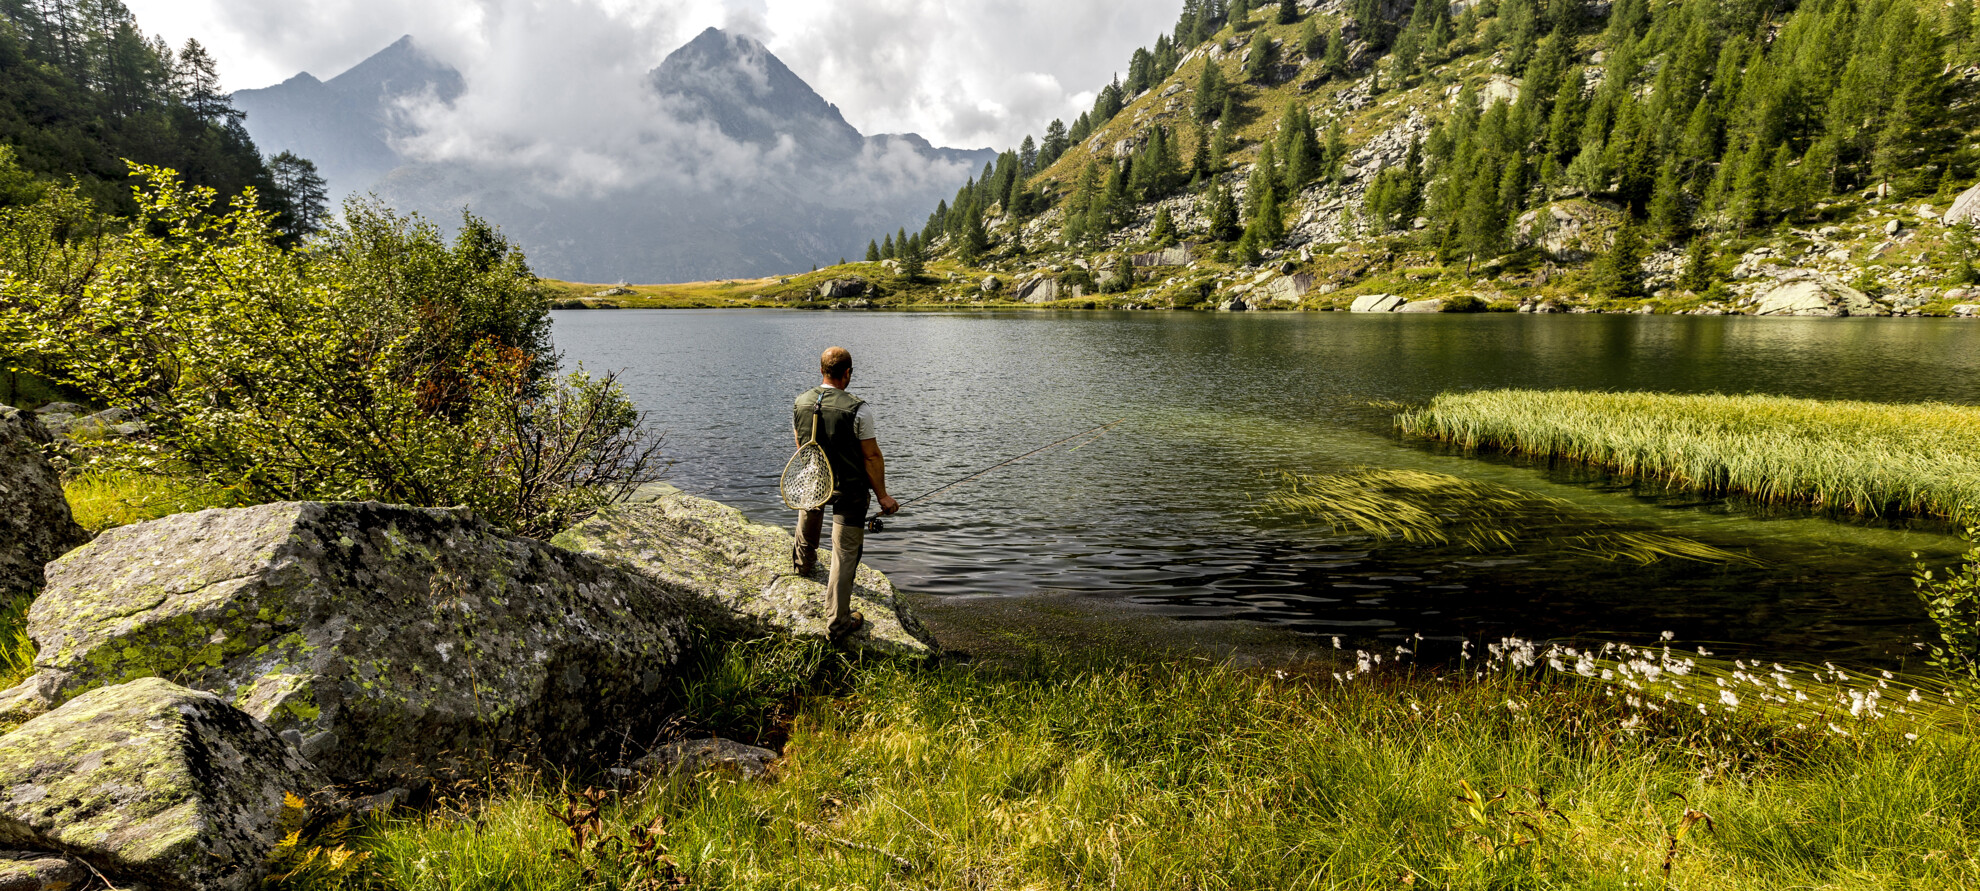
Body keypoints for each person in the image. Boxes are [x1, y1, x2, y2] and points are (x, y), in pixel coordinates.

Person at [792, 346, 898, 641]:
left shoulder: (801, 402)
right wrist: (883, 497)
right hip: (850, 490)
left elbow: (801, 443)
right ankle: (838, 624)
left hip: (814, 479)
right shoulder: (858, 409)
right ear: (847, 373)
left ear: (821, 370)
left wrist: (815, 470)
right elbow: (871, 456)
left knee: (810, 510)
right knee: (844, 553)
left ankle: (803, 564)